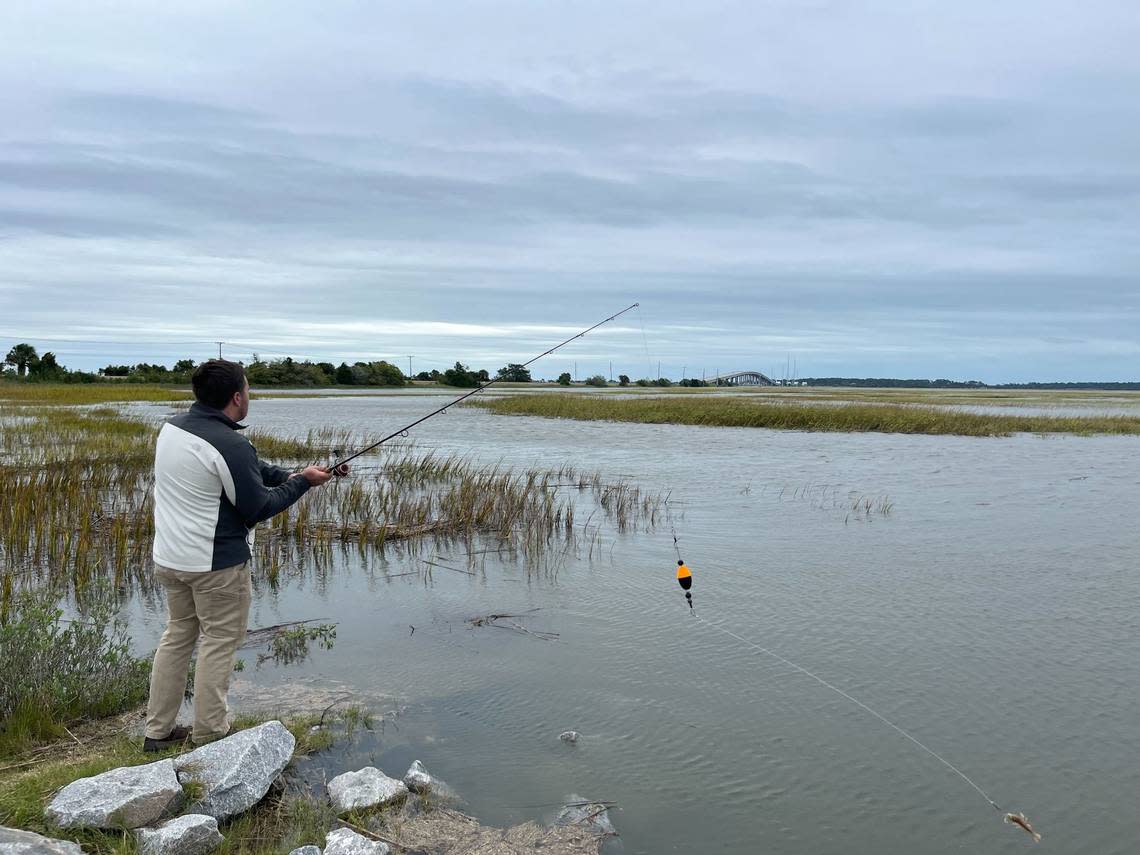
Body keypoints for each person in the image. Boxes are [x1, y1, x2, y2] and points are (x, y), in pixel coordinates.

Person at [143, 359, 346, 750]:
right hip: (214, 565)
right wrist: (303, 483)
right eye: (249, 390)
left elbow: (249, 470)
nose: (249, 396)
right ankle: (211, 734)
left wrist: (294, 474)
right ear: (237, 398)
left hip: (170, 559)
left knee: (178, 637)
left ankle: (157, 732)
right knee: (219, 642)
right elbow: (257, 508)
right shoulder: (229, 442)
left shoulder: (175, 427)